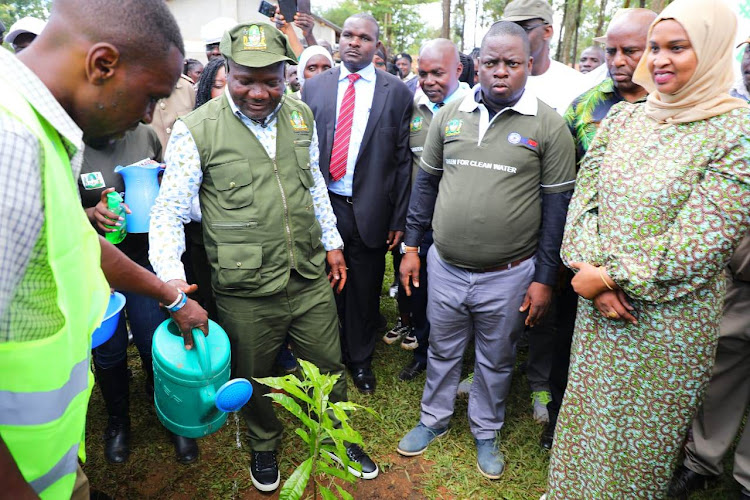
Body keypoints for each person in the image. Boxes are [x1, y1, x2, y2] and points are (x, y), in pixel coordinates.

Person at [149, 22, 378, 492]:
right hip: (245, 286)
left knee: (327, 365)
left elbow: (313, 186)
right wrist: (171, 278)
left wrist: (332, 243)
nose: (258, 92)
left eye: (271, 80)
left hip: (308, 274)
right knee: (252, 376)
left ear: (286, 75)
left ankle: (336, 434)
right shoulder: (198, 129)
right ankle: (263, 443)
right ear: (227, 73)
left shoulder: (300, 117)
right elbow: (169, 210)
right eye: (245, 80)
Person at [0, 0, 208, 498]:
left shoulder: (38, 124)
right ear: (102, 64)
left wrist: (171, 297)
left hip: (46, 461)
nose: (149, 116)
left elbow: (78, 240)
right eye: (150, 97)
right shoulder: (12, 140)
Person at [545, 0, 750, 497]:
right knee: (585, 425)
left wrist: (610, 277)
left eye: (677, 47)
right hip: (599, 312)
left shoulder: (737, 131)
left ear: (714, 49)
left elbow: (702, 239)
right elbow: (583, 203)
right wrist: (588, 273)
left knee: (637, 448)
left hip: (668, 322)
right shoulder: (623, 121)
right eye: (654, 47)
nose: (659, 59)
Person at [396, 21, 575, 480]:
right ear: (477, 65)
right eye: (491, 62)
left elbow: (557, 209)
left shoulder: (549, 126)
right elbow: (426, 185)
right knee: (442, 347)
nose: (500, 72)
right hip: (446, 266)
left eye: (511, 63)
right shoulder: (450, 113)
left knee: (496, 357)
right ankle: (432, 419)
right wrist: (413, 246)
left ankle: (486, 429)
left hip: (510, 273)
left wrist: (543, 277)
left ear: (529, 65)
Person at [538, 7, 657, 451]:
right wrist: (585, 267)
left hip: (647, 265)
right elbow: (565, 190)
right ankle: (559, 422)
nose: (619, 60)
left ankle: (627, 439)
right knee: (568, 342)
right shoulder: (587, 107)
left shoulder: (679, 111)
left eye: (631, 50)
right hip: (584, 257)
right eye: (611, 51)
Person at [302, 13, 413, 395]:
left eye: (363, 38)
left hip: (369, 209)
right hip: (324, 203)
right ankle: (326, 355)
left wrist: (398, 216)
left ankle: (360, 359)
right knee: (323, 285)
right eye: (347, 35)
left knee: (364, 287)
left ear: (375, 46)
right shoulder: (314, 88)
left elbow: (402, 161)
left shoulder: (396, 91)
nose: (353, 42)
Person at [79, 124, 200, 465]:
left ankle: (170, 414)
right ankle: (119, 421)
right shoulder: (71, 141)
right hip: (96, 260)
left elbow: (167, 180)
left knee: (152, 341)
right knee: (109, 348)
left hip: (143, 258)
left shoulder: (143, 133)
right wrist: (91, 213)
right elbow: (53, 212)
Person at [498, 0, 586, 423]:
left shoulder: (575, 86)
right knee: (501, 303)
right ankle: (490, 374)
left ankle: (540, 385)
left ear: (547, 32)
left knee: (545, 302)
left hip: (554, 217)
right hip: (506, 218)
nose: (513, 33)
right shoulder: (500, 77)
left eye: (523, 26)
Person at [390, 38, 471, 382]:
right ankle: (423, 353)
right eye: (423, 73)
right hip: (421, 224)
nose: (429, 81)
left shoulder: (476, 109)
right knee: (420, 293)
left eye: (437, 73)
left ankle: (458, 360)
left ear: (458, 70)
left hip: (461, 226)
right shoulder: (415, 107)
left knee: (458, 301)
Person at [503, 0, 586, 114]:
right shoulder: (497, 80)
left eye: (524, 29)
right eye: (509, 30)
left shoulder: (576, 85)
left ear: (547, 31)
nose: (514, 37)